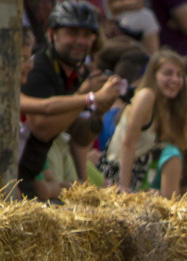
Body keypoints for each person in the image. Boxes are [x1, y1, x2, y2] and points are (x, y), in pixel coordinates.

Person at [19, 1, 121, 199]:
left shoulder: (77, 74)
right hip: (22, 176)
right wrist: (88, 97)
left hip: (39, 170)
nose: (80, 41)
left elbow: (80, 136)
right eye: (72, 33)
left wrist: (98, 110)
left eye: (87, 35)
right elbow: (41, 127)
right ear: (52, 33)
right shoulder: (39, 68)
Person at [100, 48, 187, 194]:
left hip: (138, 179)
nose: (175, 79)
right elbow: (128, 142)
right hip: (114, 176)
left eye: (179, 75)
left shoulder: (166, 106)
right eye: (168, 73)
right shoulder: (146, 96)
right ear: (154, 75)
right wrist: (124, 187)